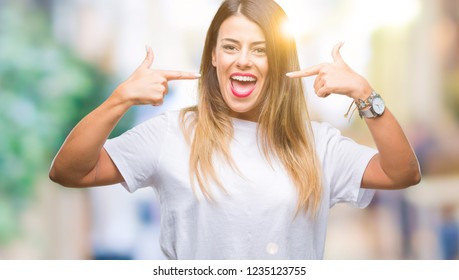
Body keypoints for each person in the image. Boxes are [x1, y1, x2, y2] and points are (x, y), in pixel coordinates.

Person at [49, 0, 421, 259]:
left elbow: (401, 173)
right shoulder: (170, 134)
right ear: (214, 56)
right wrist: (120, 100)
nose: (243, 59)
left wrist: (364, 94)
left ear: (277, 63)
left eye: (260, 50)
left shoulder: (317, 143)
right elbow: (69, 171)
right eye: (230, 46)